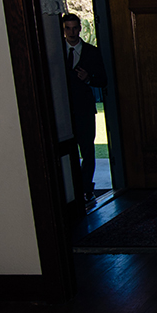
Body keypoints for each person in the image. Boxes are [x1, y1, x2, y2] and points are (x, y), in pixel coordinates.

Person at [62, 13, 107, 206]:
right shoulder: (55, 51)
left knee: (88, 150)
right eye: (67, 28)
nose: (71, 32)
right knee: (67, 150)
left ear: (80, 28)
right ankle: (71, 191)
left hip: (85, 109)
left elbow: (103, 80)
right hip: (63, 110)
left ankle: (87, 188)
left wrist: (88, 79)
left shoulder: (91, 52)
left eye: (74, 28)